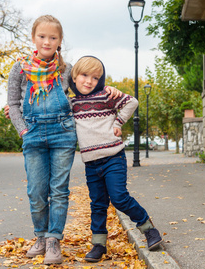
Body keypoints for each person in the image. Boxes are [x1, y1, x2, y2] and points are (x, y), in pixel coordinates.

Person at [6, 15, 121, 265]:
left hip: (62, 135)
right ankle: (40, 236)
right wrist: (22, 129)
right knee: (36, 191)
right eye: (42, 36)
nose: (47, 41)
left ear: (60, 41)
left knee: (59, 190)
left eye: (53, 37)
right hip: (33, 135)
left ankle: (53, 241)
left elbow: (85, 91)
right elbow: (13, 104)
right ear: (34, 38)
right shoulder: (19, 68)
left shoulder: (66, 69)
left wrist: (108, 90)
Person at [69, 56, 163, 263]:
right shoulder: (71, 104)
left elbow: (132, 102)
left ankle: (149, 230)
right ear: (74, 77)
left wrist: (118, 122)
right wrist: (18, 110)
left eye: (95, 77)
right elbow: (50, 114)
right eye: (84, 75)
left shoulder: (106, 95)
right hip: (91, 163)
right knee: (98, 204)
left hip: (113, 158)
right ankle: (99, 244)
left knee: (119, 197)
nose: (89, 81)